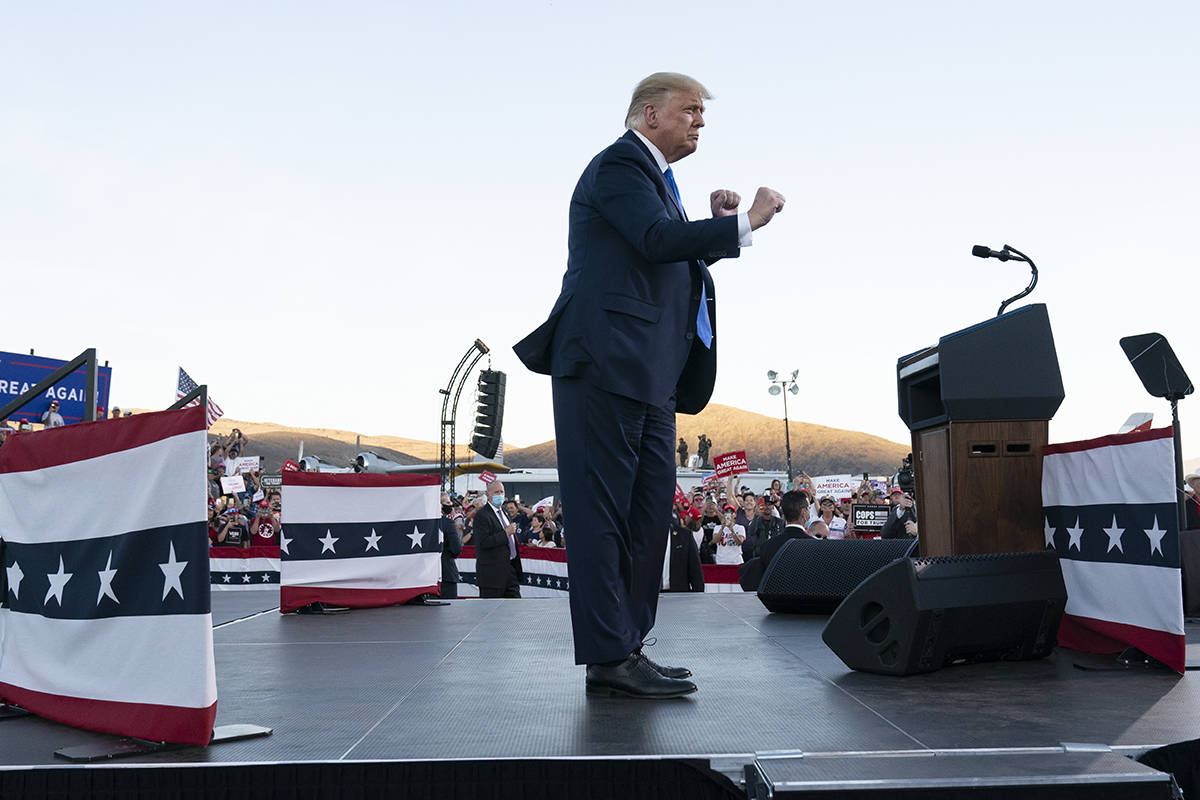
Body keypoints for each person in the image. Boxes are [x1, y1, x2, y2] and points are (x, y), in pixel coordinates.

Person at [514, 72, 785, 699]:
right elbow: (657, 241)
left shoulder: (658, 183)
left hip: (650, 374)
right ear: (648, 113)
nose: (700, 122)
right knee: (602, 515)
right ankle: (608, 654)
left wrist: (715, 228)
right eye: (690, 110)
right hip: (606, 365)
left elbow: (665, 257)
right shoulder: (618, 167)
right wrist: (745, 222)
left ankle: (626, 649)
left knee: (644, 518)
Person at [473, 480, 522, 598]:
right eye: (496, 492)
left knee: (514, 608)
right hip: (492, 575)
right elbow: (483, 542)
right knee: (492, 613)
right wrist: (505, 533)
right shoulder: (482, 515)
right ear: (488, 494)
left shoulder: (504, 512)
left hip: (510, 570)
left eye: (502, 492)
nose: (500, 495)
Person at [757, 490, 815, 574]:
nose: (810, 512)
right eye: (809, 508)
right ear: (803, 512)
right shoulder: (813, 546)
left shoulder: (767, 546)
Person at [666, 513, 705, 592]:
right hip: (649, 596)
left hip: (678, 595)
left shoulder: (685, 536)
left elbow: (695, 570)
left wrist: (699, 598)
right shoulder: (643, 536)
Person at [745, 494, 784, 562]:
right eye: (765, 504)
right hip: (759, 557)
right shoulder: (757, 520)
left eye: (770, 504)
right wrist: (756, 516)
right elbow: (750, 532)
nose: (767, 507)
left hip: (775, 557)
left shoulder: (780, 522)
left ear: (773, 507)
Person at [438, 493, 463, 599]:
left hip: (426, 576)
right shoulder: (448, 523)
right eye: (448, 502)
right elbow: (456, 549)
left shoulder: (422, 523)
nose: (451, 505)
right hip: (446, 574)